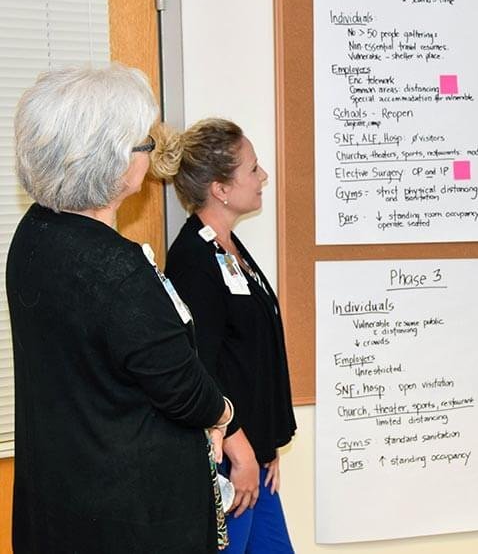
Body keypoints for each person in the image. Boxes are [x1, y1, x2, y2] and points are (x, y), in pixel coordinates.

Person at [7, 64, 233, 553]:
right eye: (143, 143)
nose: (150, 153)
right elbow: (181, 389)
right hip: (132, 518)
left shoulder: (32, 237)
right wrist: (223, 412)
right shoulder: (115, 268)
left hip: (60, 503)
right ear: (112, 161)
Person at [158, 118, 297, 553]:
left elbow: (253, 353)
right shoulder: (193, 260)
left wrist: (270, 441)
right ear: (220, 187)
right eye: (254, 169)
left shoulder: (227, 248)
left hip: (256, 456)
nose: (264, 177)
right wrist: (239, 452)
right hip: (229, 463)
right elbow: (199, 369)